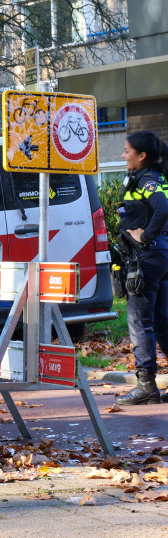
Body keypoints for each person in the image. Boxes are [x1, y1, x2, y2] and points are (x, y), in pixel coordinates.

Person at [115, 130, 168, 405]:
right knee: (162, 322)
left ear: (142, 155)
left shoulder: (146, 180)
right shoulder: (157, 178)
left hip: (146, 257)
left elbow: (163, 208)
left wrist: (145, 237)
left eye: (127, 151)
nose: (123, 156)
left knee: (139, 322)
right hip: (161, 255)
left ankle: (146, 385)